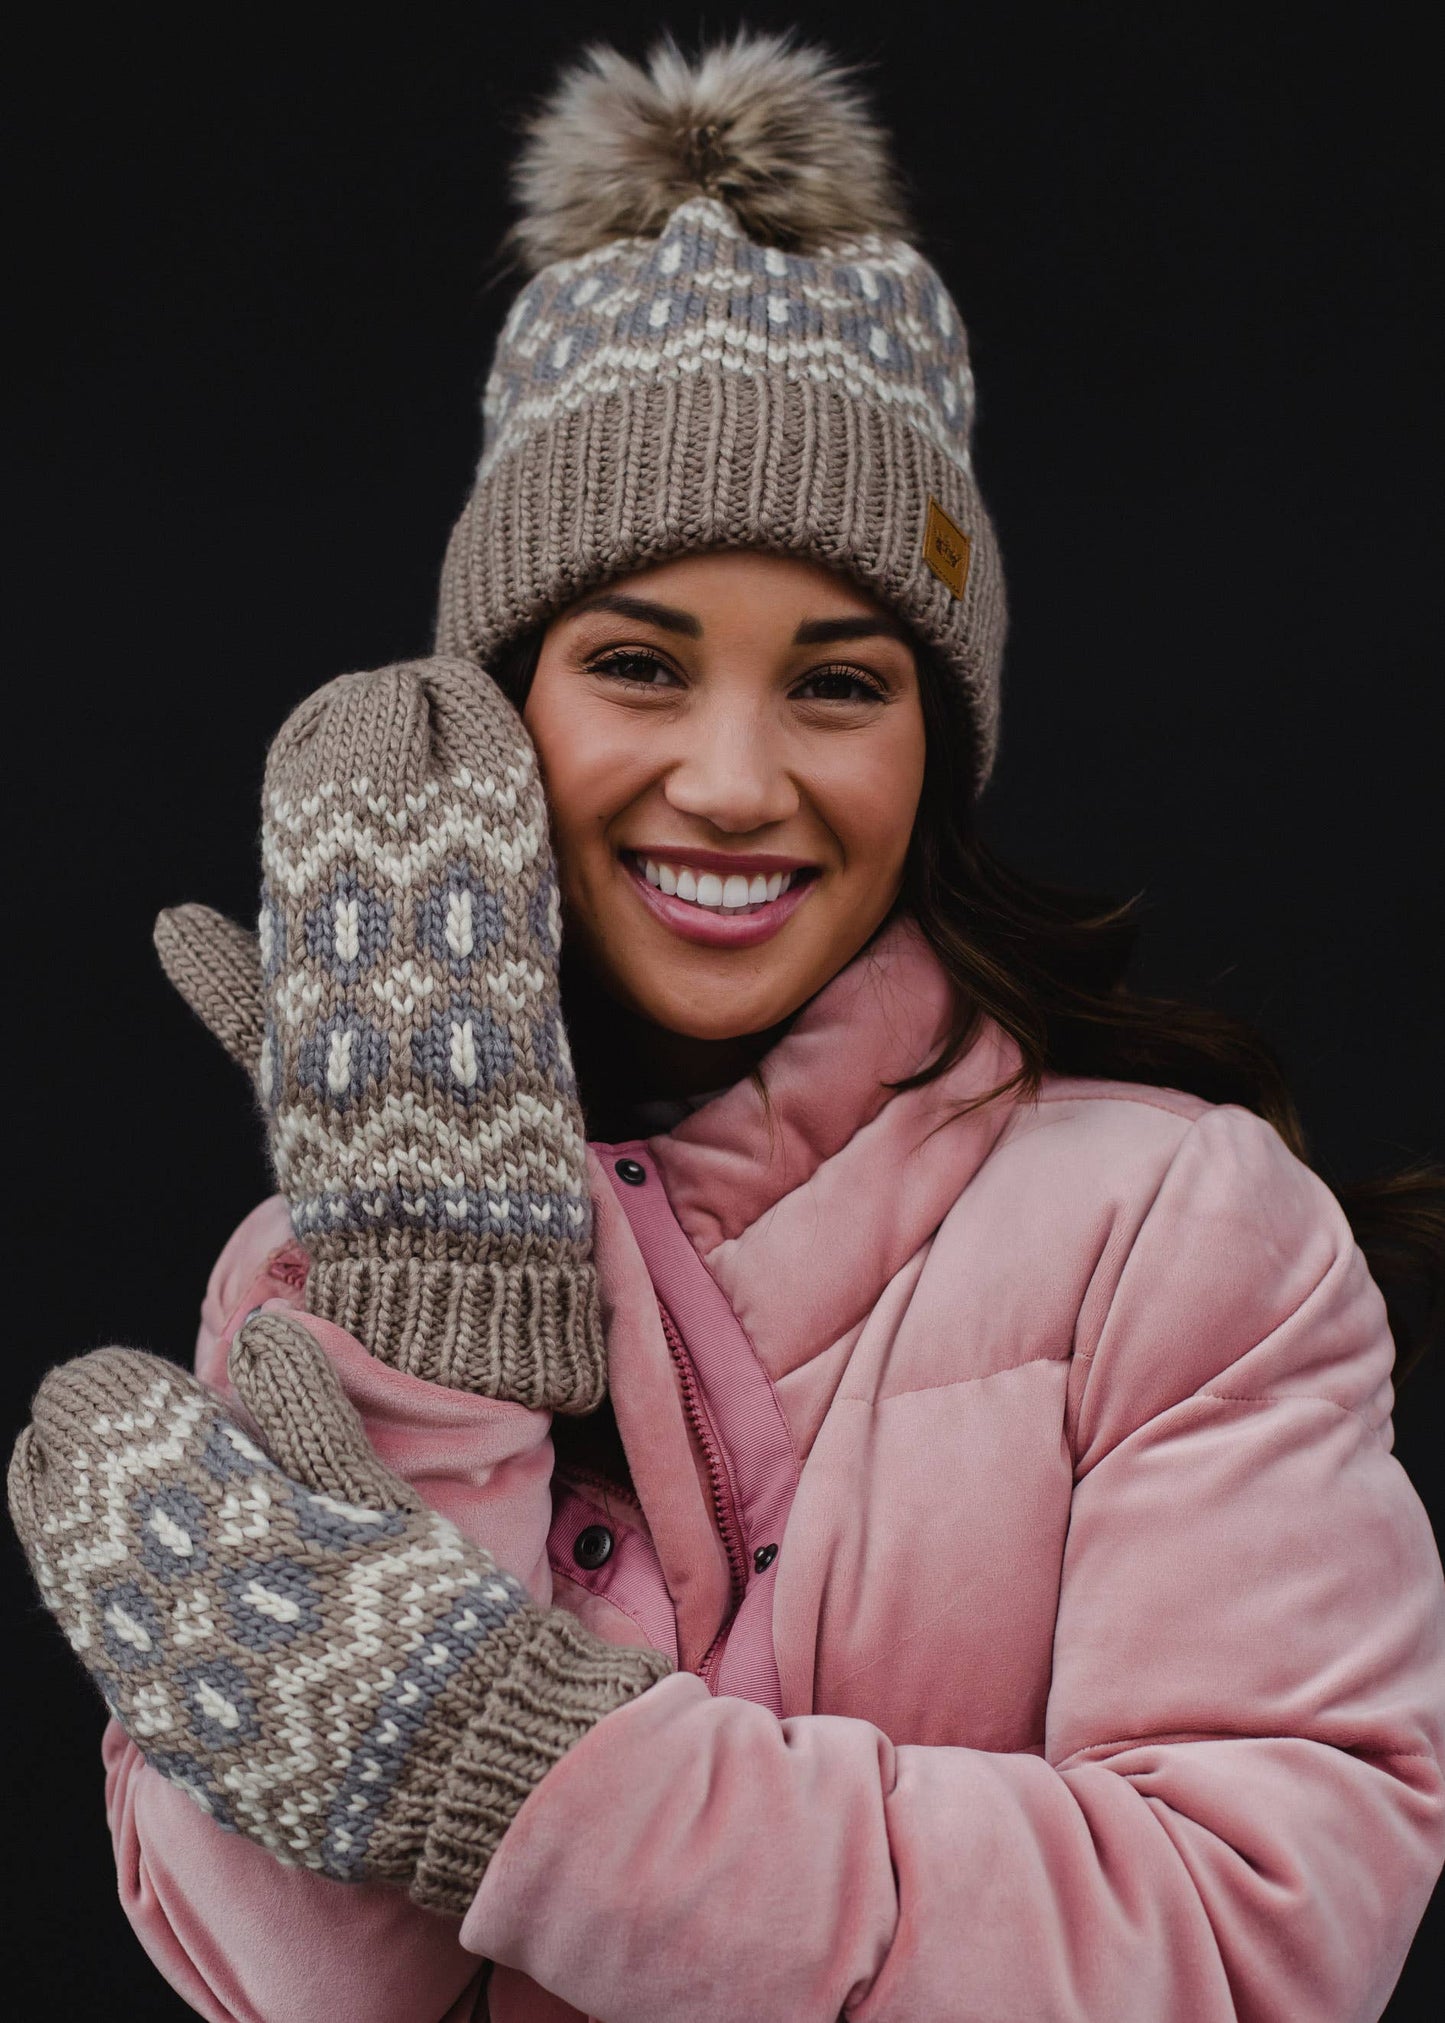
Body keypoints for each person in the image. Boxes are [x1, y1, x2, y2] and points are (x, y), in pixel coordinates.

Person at [9, 31, 1445, 2023]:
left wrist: (509, 1762)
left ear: (935, 740)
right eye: (639, 664)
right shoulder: (321, 1260)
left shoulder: (1183, 1236)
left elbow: (1250, 1944)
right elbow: (317, 1997)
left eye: (839, 682)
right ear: (507, 702)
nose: (737, 776)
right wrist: (431, 1346)